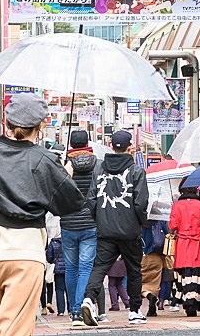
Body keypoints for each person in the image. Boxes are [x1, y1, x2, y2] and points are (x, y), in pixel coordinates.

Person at [0, 94, 84, 336]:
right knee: (14, 330)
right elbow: (71, 204)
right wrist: (65, 174)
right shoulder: (44, 159)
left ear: (7, 122)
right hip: (25, 251)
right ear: (40, 126)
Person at [80, 129, 148, 326]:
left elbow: (91, 199)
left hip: (105, 230)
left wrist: (99, 219)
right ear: (130, 148)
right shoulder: (136, 171)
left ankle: (89, 299)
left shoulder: (99, 169)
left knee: (99, 266)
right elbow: (140, 203)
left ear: (110, 145)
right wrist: (140, 222)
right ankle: (134, 311)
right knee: (134, 270)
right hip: (130, 230)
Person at [60, 130, 98, 326]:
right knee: (85, 268)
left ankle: (74, 312)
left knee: (71, 268)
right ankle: (81, 305)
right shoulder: (97, 165)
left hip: (68, 223)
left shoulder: (66, 166)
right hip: (91, 223)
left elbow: (58, 192)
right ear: (87, 142)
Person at [168, 186, 200, 317]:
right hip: (198, 243)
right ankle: (195, 301)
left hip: (183, 243)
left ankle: (186, 299)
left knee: (184, 271)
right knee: (197, 272)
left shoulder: (177, 205)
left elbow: (172, 226)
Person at [140, 220, 168, 316]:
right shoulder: (160, 220)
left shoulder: (140, 221)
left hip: (143, 256)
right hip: (158, 257)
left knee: (139, 283)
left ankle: (148, 295)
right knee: (155, 284)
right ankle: (152, 309)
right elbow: (167, 235)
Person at [45, 234, 67, 316]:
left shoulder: (53, 242)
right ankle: (71, 309)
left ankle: (61, 311)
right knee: (69, 289)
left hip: (58, 269)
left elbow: (49, 257)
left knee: (59, 290)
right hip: (70, 268)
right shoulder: (68, 240)